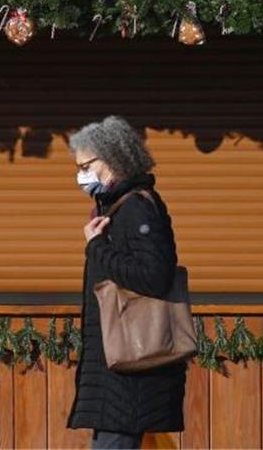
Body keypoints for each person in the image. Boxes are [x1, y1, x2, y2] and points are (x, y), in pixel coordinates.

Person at [65, 116, 187, 449]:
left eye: (87, 165)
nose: (81, 176)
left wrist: (96, 247)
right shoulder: (117, 208)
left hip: (131, 373)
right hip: (120, 374)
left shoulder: (136, 208)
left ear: (114, 157)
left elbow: (154, 275)